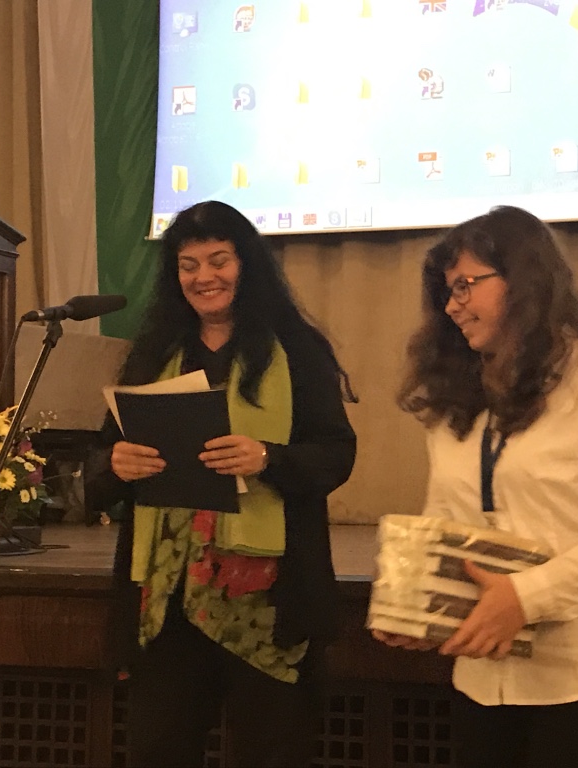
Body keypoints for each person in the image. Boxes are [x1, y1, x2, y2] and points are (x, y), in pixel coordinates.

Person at [374, 205, 578, 768]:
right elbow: (448, 522)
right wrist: (421, 605)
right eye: (446, 291)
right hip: (484, 679)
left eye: (465, 285)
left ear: (524, 281)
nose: (452, 306)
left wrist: (525, 598)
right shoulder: (454, 397)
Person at [87, 200, 357, 768]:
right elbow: (99, 464)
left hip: (265, 599)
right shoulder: (155, 353)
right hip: (167, 600)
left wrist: (267, 457)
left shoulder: (296, 350)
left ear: (246, 265)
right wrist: (116, 463)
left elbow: (336, 454)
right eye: (188, 265)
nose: (203, 277)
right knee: (157, 751)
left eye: (219, 261)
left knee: (270, 753)